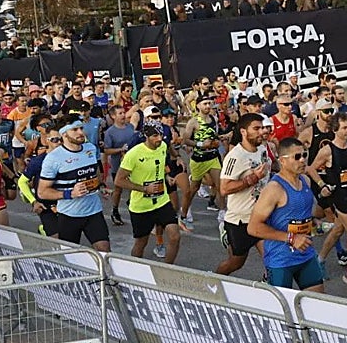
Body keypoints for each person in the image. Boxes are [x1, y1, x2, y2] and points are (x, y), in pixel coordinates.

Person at [247, 137, 325, 292]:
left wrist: (313, 221)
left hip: (305, 254)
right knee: (282, 310)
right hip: (280, 260)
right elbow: (253, 228)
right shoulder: (274, 189)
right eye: (297, 157)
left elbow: (298, 214)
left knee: (318, 303)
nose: (303, 160)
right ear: (282, 161)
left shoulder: (305, 181)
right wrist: (291, 238)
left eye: (304, 155)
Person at [38, 118, 109, 251]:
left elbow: (95, 171)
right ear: (64, 134)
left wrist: (101, 185)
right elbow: (42, 192)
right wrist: (70, 193)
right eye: (75, 129)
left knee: (104, 251)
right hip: (69, 215)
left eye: (81, 128)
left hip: (94, 211)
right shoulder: (53, 158)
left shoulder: (90, 148)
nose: (81, 132)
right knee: (70, 257)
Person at [215, 112, 272, 277]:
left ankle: (270, 287)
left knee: (272, 260)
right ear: (243, 132)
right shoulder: (235, 156)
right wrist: (252, 178)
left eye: (262, 128)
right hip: (240, 220)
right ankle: (214, 280)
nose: (261, 131)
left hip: (262, 217)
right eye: (256, 128)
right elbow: (224, 189)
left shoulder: (262, 149)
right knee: (236, 263)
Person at [114, 124, 180, 263]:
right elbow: (119, 181)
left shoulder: (162, 147)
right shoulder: (134, 154)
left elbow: (160, 165)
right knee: (141, 244)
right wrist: (144, 189)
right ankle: (136, 270)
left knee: (175, 236)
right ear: (146, 137)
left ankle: (167, 269)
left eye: (161, 135)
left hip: (162, 201)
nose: (159, 139)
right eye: (155, 136)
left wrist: (166, 176)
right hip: (141, 207)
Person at [308, 113, 347, 266]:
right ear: (335, 130)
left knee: (338, 229)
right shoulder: (328, 150)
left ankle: (320, 259)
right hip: (338, 196)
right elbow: (311, 169)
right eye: (344, 128)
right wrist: (322, 185)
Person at [179, 95, 226, 228]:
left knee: (219, 185)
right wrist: (200, 144)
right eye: (204, 103)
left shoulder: (213, 119)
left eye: (209, 103)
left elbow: (214, 135)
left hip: (212, 157)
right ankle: (185, 212)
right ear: (198, 105)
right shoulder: (193, 121)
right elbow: (185, 140)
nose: (207, 106)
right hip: (198, 160)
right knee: (193, 189)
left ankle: (222, 213)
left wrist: (219, 139)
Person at [102, 105, 140, 226]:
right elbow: (107, 150)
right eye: (120, 113)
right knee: (118, 189)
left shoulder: (130, 127)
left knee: (134, 187)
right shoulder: (110, 132)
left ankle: (134, 207)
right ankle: (115, 210)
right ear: (113, 116)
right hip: (118, 165)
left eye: (124, 112)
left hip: (134, 165)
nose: (123, 115)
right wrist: (120, 149)